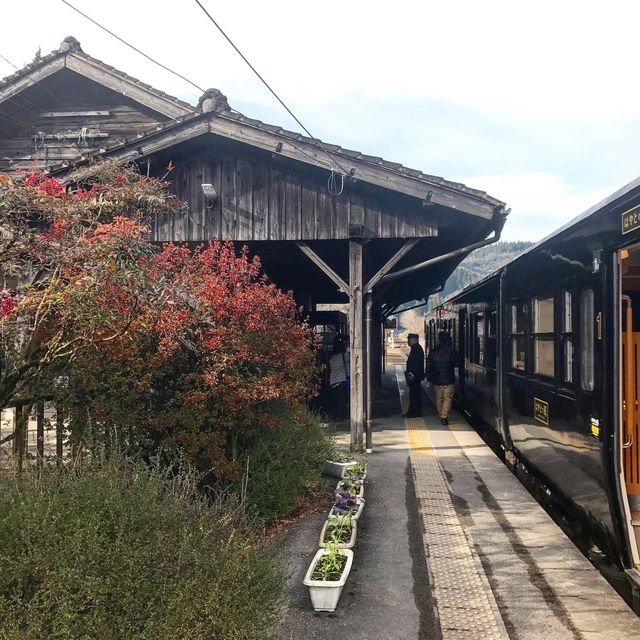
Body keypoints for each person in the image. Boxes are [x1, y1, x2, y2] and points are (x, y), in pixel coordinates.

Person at [426, 331, 458, 425]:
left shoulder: (434, 351)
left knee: (439, 398)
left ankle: (441, 414)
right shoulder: (452, 351)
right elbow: (457, 362)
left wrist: (428, 377)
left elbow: (429, 365)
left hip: (437, 380)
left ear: (439, 339)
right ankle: (444, 416)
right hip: (449, 379)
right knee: (447, 398)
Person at [328, 335, 350, 419]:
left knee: (336, 401)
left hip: (333, 382)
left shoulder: (331, 359)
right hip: (342, 381)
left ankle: (336, 416)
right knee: (343, 400)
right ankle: (342, 415)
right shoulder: (344, 356)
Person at [404, 333, 425, 418]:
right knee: (414, 395)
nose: (408, 341)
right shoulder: (416, 348)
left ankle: (414, 412)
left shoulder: (416, 349)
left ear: (414, 340)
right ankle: (415, 412)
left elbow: (416, 364)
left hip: (415, 377)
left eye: (409, 339)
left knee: (414, 395)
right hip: (416, 376)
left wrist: (411, 375)